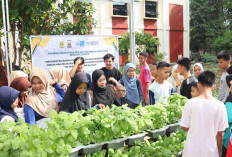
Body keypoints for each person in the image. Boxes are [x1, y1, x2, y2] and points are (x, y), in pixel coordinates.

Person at [180, 71, 228, 157]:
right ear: (213, 87)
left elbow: (185, 127)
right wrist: (219, 152)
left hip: (191, 151)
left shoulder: (190, 103)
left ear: (198, 84)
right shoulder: (220, 106)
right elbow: (220, 134)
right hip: (210, 152)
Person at [221, 75, 232, 157]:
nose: (230, 88)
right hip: (228, 140)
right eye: (230, 85)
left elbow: (229, 118)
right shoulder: (229, 99)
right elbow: (228, 118)